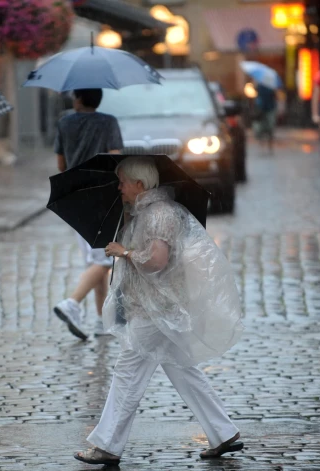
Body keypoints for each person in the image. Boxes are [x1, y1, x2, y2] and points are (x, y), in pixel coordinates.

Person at [74, 157, 245, 466]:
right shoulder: (146, 213)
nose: (119, 187)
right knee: (184, 370)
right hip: (161, 308)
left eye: (123, 182)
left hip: (156, 310)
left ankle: (107, 444)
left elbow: (157, 261)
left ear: (140, 184)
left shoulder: (158, 215)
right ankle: (223, 432)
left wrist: (123, 252)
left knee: (128, 374)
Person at [53, 88, 123, 340]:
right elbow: (115, 159)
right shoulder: (109, 122)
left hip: (73, 196)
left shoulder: (64, 123)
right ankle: (72, 303)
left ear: (79, 98)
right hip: (101, 195)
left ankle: (103, 322)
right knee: (103, 260)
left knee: (97, 260)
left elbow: (61, 165)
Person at [253, 82, 278, 154]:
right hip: (261, 108)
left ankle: (269, 145)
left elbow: (274, 96)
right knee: (260, 127)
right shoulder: (259, 84)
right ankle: (262, 145)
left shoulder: (272, 85)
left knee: (270, 127)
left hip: (270, 108)